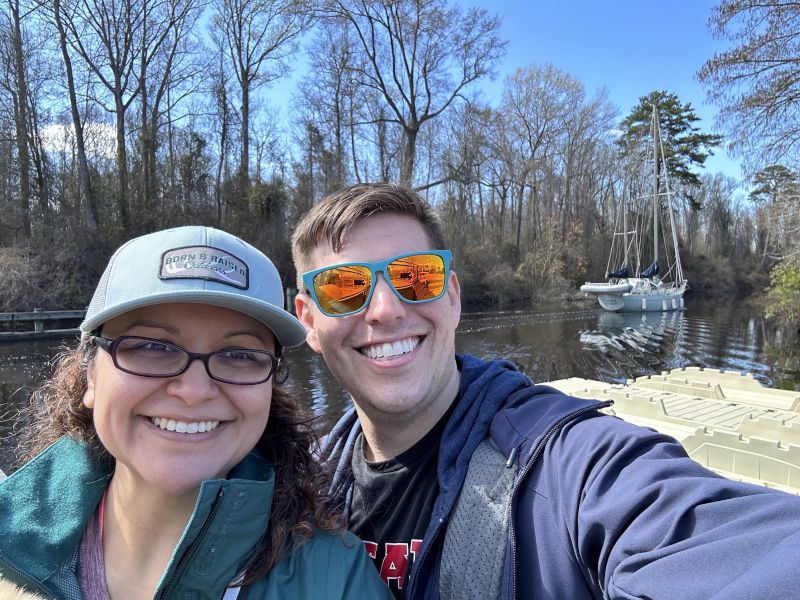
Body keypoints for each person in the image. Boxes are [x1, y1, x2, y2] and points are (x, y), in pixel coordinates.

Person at [291, 183, 800, 600]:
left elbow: (745, 548)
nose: (385, 310)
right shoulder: (304, 490)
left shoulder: (567, 465)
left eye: (416, 277)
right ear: (309, 321)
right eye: (344, 287)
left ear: (453, 298)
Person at [0, 226, 392, 600]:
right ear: (91, 376)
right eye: (152, 347)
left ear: (270, 388)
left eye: (239, 355)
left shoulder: (334, 580)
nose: (194, 391)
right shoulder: (9, 541)